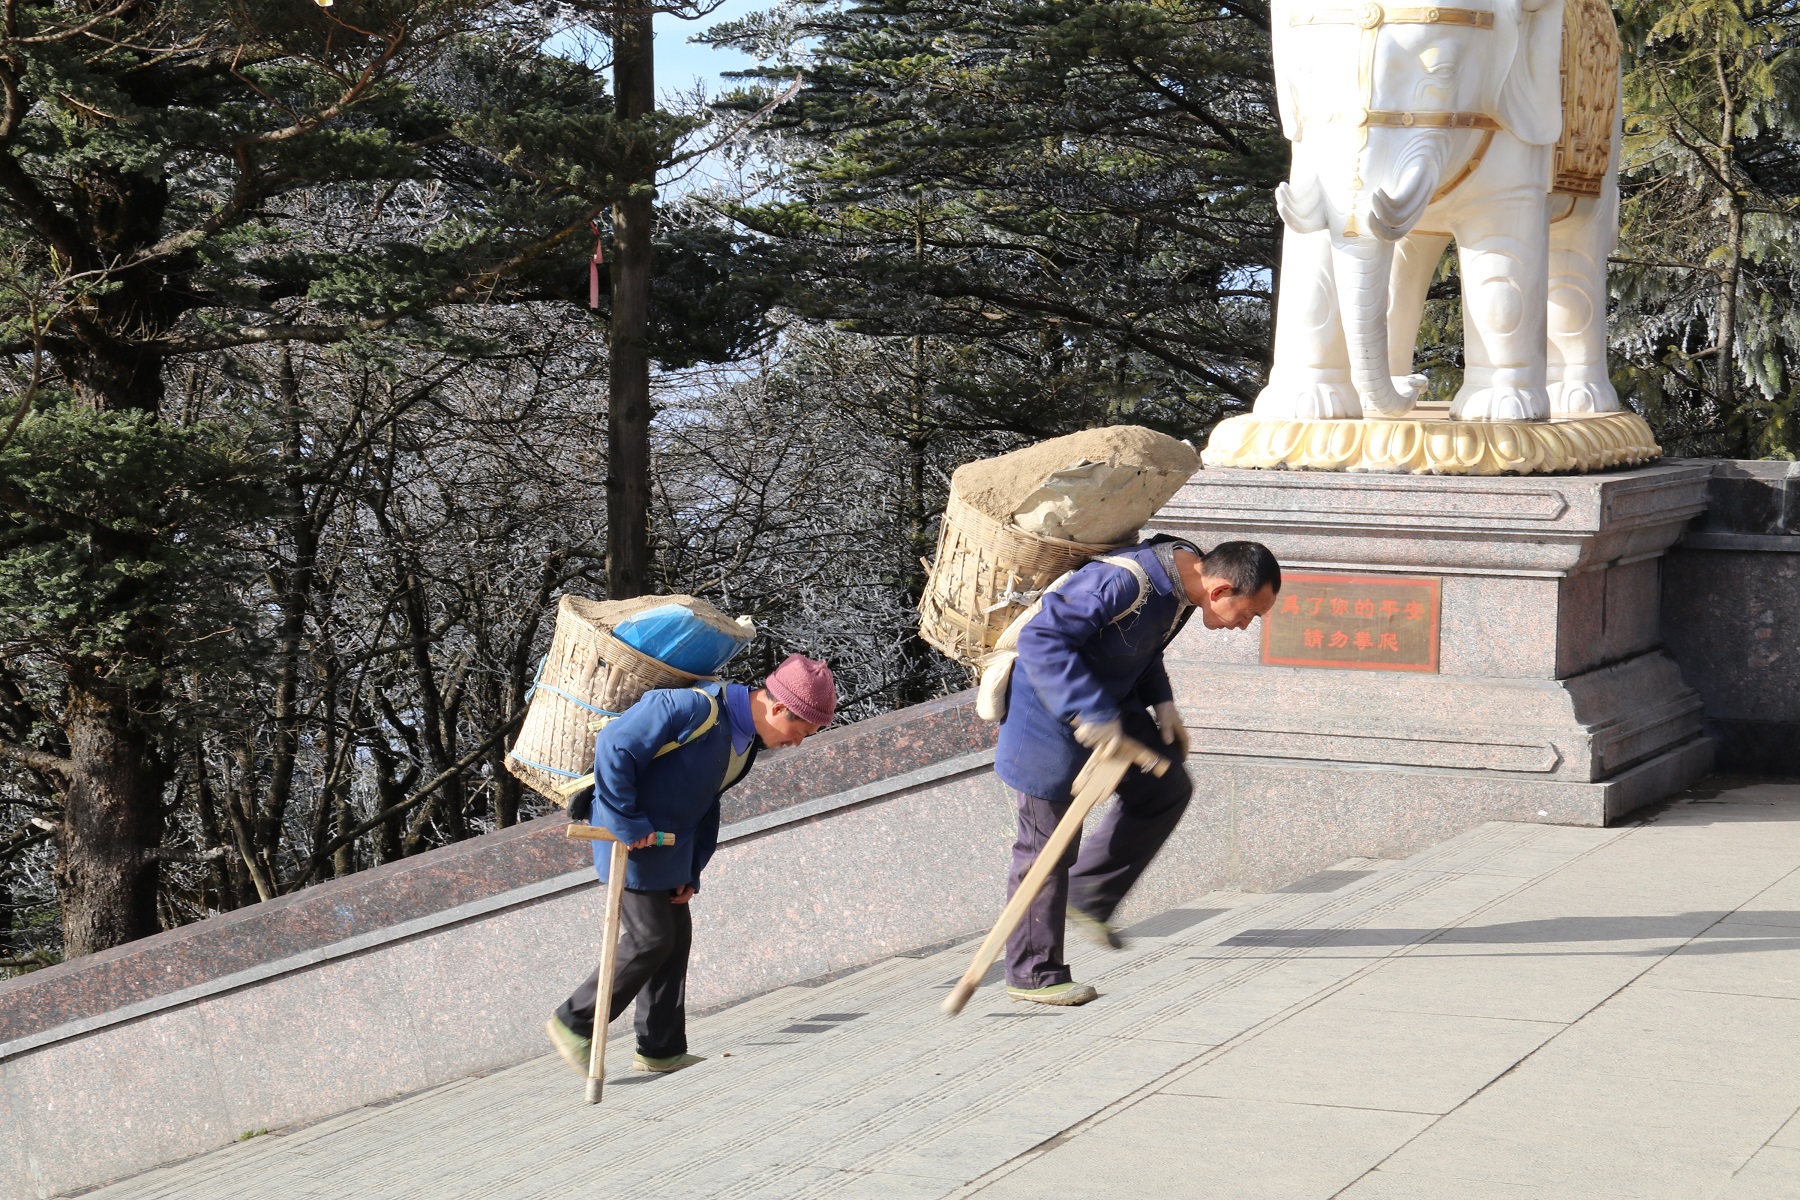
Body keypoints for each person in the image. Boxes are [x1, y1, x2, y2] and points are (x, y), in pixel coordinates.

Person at [993, 538, 1280, 1005]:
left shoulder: (1184, 581)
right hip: (1049, 710)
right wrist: (1086, 712)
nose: (1244, 625)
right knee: (1047, 846)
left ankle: (1090, 894)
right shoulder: (1123, 580)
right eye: (1248, 614)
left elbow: (1144, 644)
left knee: (1165, 786)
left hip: (1110, 702)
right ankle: (1032, 974)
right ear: (1220, 589)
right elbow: (1041, 638)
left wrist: (1162, 701)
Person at [545, 652, 836, 1074]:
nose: (798, 741)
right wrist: (628, 822)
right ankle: (573, 1021)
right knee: (650, 939)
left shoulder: (744, 742)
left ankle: (660, 1049)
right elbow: (614, 744)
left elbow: (705, 802)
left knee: (674, 939)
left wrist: (693, 869)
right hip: (625, 837)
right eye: (800, 730)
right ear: (776, 708)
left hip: (670, 849)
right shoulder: (692, 707)